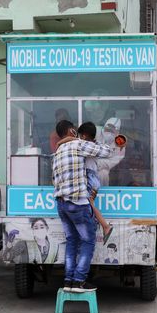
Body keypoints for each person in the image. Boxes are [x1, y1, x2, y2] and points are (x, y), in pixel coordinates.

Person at [52, 120, 112, 293]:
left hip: (61, 204)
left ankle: (68, 281)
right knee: (87, 241)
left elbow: (54, 181)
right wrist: (94, 142)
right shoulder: (78, 145)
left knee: (71, 241)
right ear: (71, 130)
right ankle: (79, 281)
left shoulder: (57, 152)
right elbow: (106, 152)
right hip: (77, 203)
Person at [57, 122, 117, 245]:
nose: (77, 137)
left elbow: (69, 140)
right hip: (94, 178)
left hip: (89, 178)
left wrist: (60, 143)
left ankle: (104, 227)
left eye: (79, 135)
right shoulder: (93, 145)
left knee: (87, 204)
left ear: (83, 136)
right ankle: (102, 226)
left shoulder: (84, 146)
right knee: (89, 205)